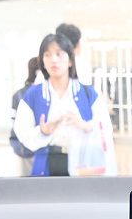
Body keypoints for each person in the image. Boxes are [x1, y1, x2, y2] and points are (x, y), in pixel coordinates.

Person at [13, 33, 116, 176]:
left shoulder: (88, 93)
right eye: (47, 55)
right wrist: (43, 132)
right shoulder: (33, 95)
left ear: (70, 61)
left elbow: (105, 128)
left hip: (83, 163)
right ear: (42, 61)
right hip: (47, 163)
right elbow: (22, 132)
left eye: (59, 54)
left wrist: (84, 125)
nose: (53, 60)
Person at [8, 55, 42, 161]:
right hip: (39, 147)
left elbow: (13, 122)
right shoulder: (40, 93)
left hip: (21, 146)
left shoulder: (18, 94)